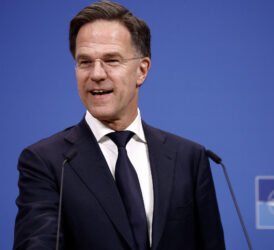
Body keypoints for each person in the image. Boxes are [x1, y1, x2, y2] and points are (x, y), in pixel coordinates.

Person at [13, 1, 225, 249]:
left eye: (111, 60)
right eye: (84, 62)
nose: (97, 74)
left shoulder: (189, 157)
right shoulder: (47, 161)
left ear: (141, 71)